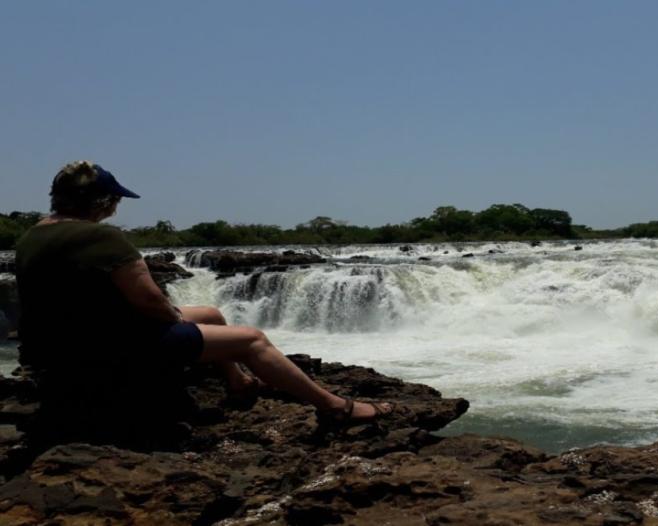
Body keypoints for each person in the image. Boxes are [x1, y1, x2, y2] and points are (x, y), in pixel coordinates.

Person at [15, 161, 390, 426]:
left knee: (210, 314)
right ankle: (334, 407)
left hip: (55, 350)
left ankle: (238, 382)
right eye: (115, 200)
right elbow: (148, 300)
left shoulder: (32, 235)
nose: (116, 208)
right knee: (253, 340)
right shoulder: (101, 237)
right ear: (103, 201)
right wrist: (173, 318)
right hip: (110, 352)